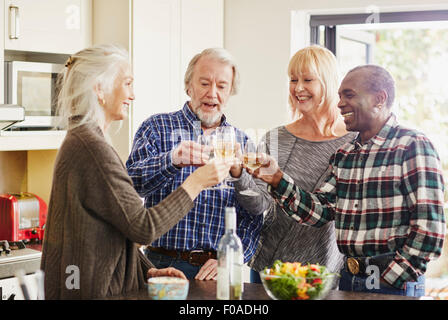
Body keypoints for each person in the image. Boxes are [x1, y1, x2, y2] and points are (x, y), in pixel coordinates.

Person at [40, 44, 232, 299]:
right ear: (100, 89)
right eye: (128, 83)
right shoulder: (91, 147)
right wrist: (196, 182)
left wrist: (149, 271)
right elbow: (143, 227)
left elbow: (120, 228)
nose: (132, 95)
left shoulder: (86, 140)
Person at [248, 64, 446, 297]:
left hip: (394, 284)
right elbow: (319, 211)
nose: (340, 103)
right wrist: (277, 179)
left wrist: (389, 278)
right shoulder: (345, 154)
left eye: (349, 95)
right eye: (340, 96)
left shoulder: (412, 145)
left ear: (379, 99)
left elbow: (430, 230)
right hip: (349, 279)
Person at [126, 48, 263, 280]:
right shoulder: (156, 127)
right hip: (161, 263)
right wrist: (172, 160)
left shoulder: (243, 142)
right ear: (189, 86)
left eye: (221, 86)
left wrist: (232, 257)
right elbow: (131, 184)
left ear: (230, 92)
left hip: (215, 272)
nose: (212, 93)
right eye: (204, 83)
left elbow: (256, 215)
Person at [232, 45, 357, 283]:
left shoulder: (354, 142)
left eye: (308, 79)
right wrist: (240, 176)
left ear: (329, 83)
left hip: (327, 273)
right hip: (271, 268)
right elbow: (258, 205)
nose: (298, 88)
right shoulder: (276, 138)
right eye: (293, 80)